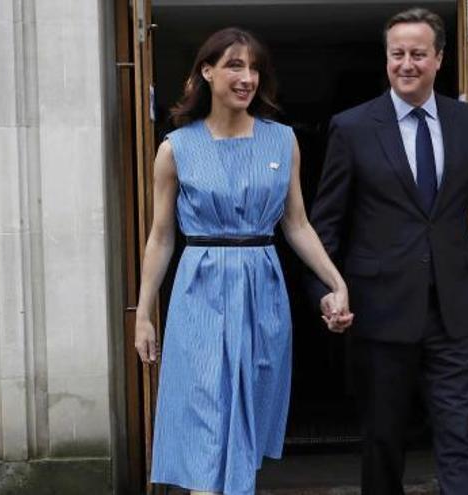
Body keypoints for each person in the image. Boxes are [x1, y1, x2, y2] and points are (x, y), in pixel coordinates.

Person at [306, 8, 468, 495]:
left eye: (418, 54)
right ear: (386, 59)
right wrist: (325, 291)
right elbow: (326, 226)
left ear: (439, 59)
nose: (407, 63)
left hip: (454, 310)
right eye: (397, 54)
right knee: (383, 442)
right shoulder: (353, 126)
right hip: (379, 313)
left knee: (457, 435)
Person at [134, 27, 353, 495]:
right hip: (200, 290)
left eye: (254, 67)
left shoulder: (282, 142)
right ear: (206, 72)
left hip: (262, 291)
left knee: (246, 421)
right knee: (207, 420)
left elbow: (297, 224)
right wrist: (144, 314)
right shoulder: (176, 148)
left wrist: (336, 281)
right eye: (234, 65)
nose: (247, 76)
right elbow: (160, 236)